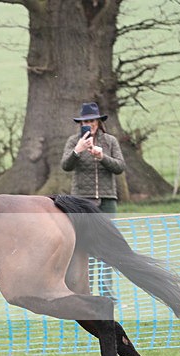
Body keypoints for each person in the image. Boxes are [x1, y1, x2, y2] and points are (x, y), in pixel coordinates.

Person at [60, 102, 126, 301]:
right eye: (85, 121)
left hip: (106, 200)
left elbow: (120, 167)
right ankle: (83, 293)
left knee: (107, 248)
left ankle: (107, 294)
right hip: (81, 201)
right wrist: (78, 151)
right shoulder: (74, 141)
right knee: (82, 248)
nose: (89, 124)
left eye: (92, 120)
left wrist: (102, 156)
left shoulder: (110, 141)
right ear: (80, 124)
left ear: (98, 121)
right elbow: (65, 165)